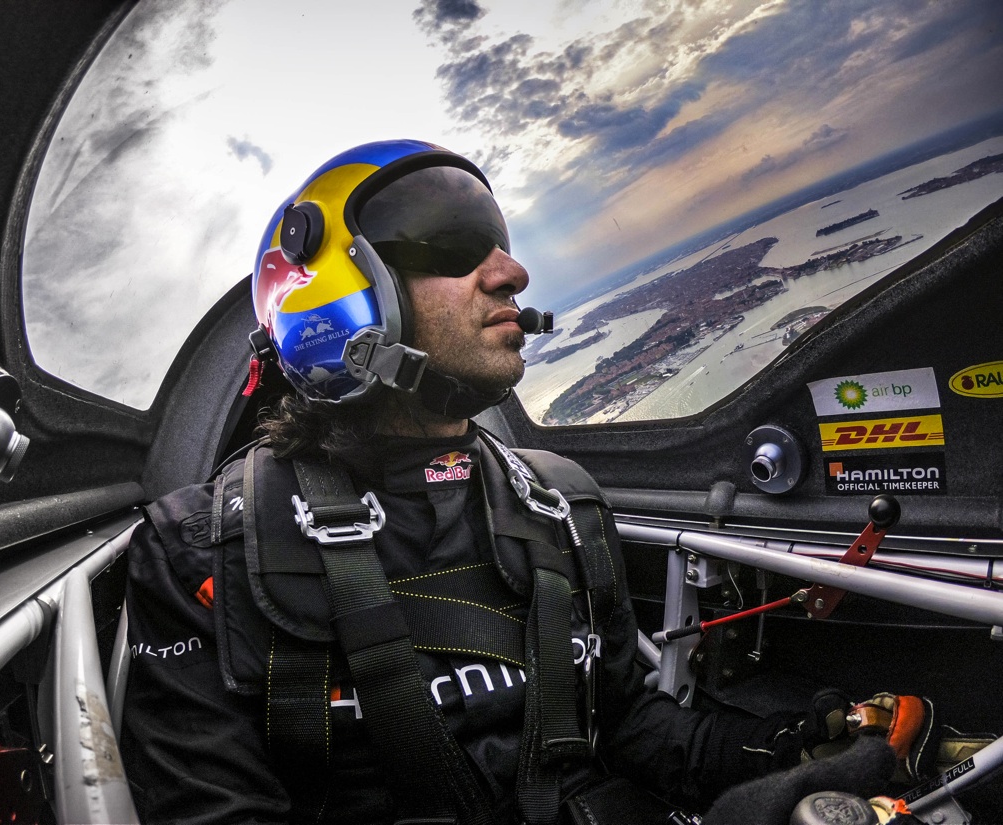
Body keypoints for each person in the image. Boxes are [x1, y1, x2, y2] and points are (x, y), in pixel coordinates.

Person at [118, 140, 932, 825]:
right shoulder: (207, 551)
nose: (511, 271)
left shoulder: (561, 504)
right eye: (450, 243)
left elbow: (629, 726)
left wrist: (788, 749)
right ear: (339, 303)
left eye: (498, 239)